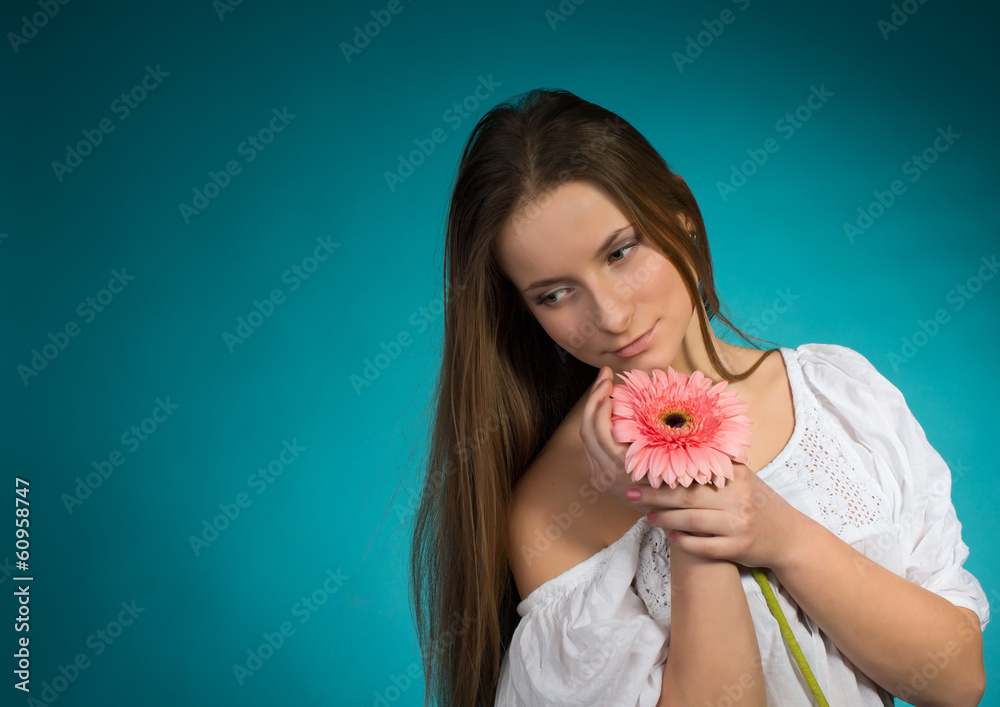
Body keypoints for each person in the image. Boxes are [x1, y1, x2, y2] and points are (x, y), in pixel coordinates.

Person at [409, 88, 989, 707]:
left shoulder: (837, 394)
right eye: (554, 293)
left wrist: (783, 535)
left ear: (680, 213)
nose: (609, 314)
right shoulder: (550, 510)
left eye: (620, 252)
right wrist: (683, 512)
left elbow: (956, 683)